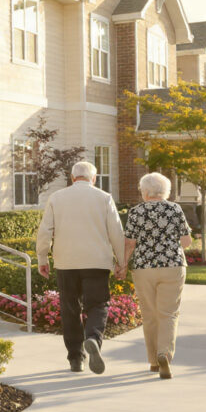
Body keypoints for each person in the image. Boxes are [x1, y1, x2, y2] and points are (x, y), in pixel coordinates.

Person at [36, 161, 126, 374]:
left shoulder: (56, 197)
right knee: (98, 304)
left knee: (70, 308)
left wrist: (42, 258)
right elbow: (116, 231)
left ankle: (76, 359)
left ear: (72, 177)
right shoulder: (104, 198)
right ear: (94, 178)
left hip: (66, 262)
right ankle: (93, 337)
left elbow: (45, 230)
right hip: (97, 262)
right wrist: (121, 262)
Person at [119, 172, 192, 380]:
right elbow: (186, 242)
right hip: (173, 266)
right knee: (168, 314)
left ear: (145, 191)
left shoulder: (136, 211)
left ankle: (153, 360)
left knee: (149, 314)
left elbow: (129, 243)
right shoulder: (175, 209)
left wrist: (122, 265)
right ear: (165, 191)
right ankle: (164, 354)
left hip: (144, 267)